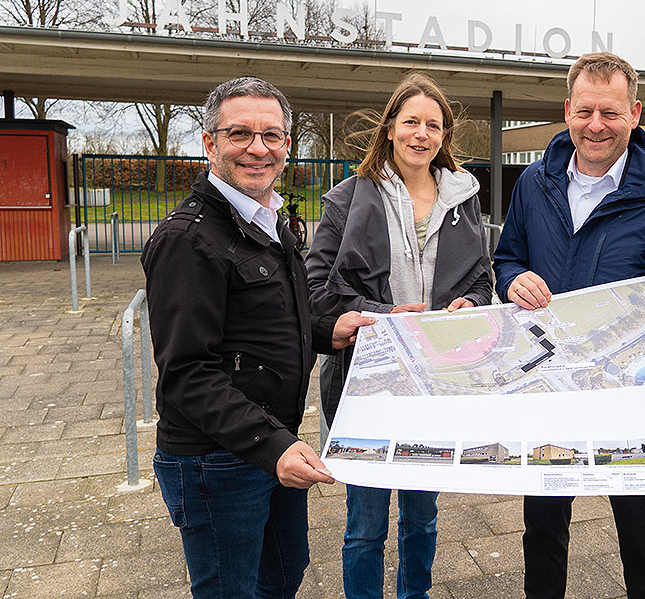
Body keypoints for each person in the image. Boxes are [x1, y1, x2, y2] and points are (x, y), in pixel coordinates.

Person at [492, 52, 645, 599]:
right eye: (586, 111)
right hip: (550, 386)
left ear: (635, 113)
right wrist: (513, 279)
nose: (596, 125)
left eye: (611, 113)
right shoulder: (532, 184)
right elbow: (506, 257)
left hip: (631, 394)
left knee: (643, 533)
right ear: (568, 110)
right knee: (543, 529)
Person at [142, 76, 374, 598]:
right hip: (218, 460)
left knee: (284, 574)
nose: (257, 148)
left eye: (271, 135)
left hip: (271, 444)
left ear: (287, 146)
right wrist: (273, 448)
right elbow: (186, 374)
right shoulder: (189, 240)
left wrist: (328, 330)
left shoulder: (271, 219)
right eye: (239, 133)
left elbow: (270, 318)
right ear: (209, 142)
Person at [305, 72, 492, 599]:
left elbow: (481, 274)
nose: (421, 134)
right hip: (369, 384)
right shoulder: (346, 199)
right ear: (390, 128)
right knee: (365, 525)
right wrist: (385, 316)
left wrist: (472, 303)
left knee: (422, 518)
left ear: (443, 136)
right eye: (411, 121)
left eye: (433, 125)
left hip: (434, 382)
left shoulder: (464, 197)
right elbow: (317, 289)